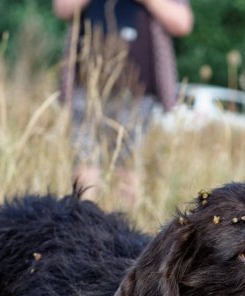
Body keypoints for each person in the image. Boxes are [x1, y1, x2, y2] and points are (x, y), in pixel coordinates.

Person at [54, 0, 193, 206]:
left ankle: (123, 227)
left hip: (137, 90)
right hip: (88, 86)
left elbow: (182, 23)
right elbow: (62, 8)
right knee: (85, 161)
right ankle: (81, 220)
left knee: (127, 167)